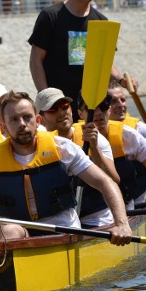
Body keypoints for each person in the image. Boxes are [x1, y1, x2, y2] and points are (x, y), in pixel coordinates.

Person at [0, 91, 132, 245]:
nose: (22, 124)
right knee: (8, 231)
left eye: (27, 117)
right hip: (21, 231)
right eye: (14, 120)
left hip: (63, 230)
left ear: (38, 121)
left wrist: (121, 224)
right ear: (4, 128)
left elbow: (106, 183)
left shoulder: (62, 148)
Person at [28, 0, 136, 120]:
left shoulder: (101, 22)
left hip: (91, 106)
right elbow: (35, 60)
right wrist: (47, 99)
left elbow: (106, 63)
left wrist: (121, 80)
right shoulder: (50, 16)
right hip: (59, 104)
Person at [76, 93, 146, 216]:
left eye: (103, 106)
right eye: (90, 109)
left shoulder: (129, 136)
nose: (98, 112)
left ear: (110, 109)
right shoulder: (70, 139)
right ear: (80, 114)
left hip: (126, 206)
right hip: (86, 212)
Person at [36, 88, 119, 227]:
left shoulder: (94, 138)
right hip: (62, 223)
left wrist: (94, 148)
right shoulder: (35, 146)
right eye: (53, 109)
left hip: (97, 219)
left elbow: (114, 180)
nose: (61, 112)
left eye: (64, 106)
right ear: (41, 118)